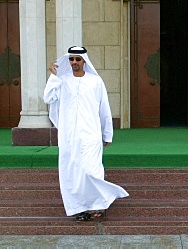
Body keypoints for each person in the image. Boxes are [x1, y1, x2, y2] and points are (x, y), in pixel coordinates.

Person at [43, 45, 129, 220]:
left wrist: (107, 133)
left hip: (91, 134)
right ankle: (81, 207)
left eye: (77, 59)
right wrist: (53, 76)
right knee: (73, 171)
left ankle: (98, 204)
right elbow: (48, 98)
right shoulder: (62, 80)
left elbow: (104, 108)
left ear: (84, 61)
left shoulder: (95, 81)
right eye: (71, 59)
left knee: (91, 171)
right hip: (69, 136)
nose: (74, 62)